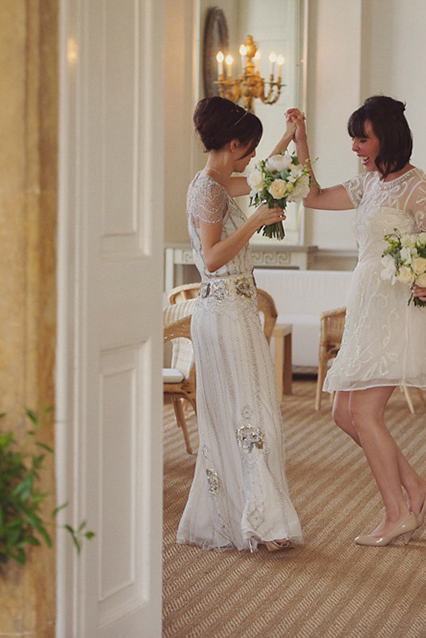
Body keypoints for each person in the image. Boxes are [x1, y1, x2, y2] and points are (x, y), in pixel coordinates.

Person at [288, 96, 426, 547]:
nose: (355, 147)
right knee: (342, 413)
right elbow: (311, 197)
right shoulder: (369, 183)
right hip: (366, 302)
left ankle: (397, 515)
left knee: (364, 412)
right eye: (353, 138)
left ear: (386, 136)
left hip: (396, 307)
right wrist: (301, 140)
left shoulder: (417, 186)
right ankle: (417, 487)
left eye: (361, 138)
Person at [176, 96, 302, 552]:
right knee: (244, 413)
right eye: (248, 149)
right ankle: (261, 523)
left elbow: (261, 177)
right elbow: (210, 260)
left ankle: (255, 515)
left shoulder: (220, 180)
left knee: (251, 411)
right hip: (223, 310)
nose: (251, 158)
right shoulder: (207, 189)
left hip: (238, 310)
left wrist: (288, 137)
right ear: (232, 144)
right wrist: (255, 222)